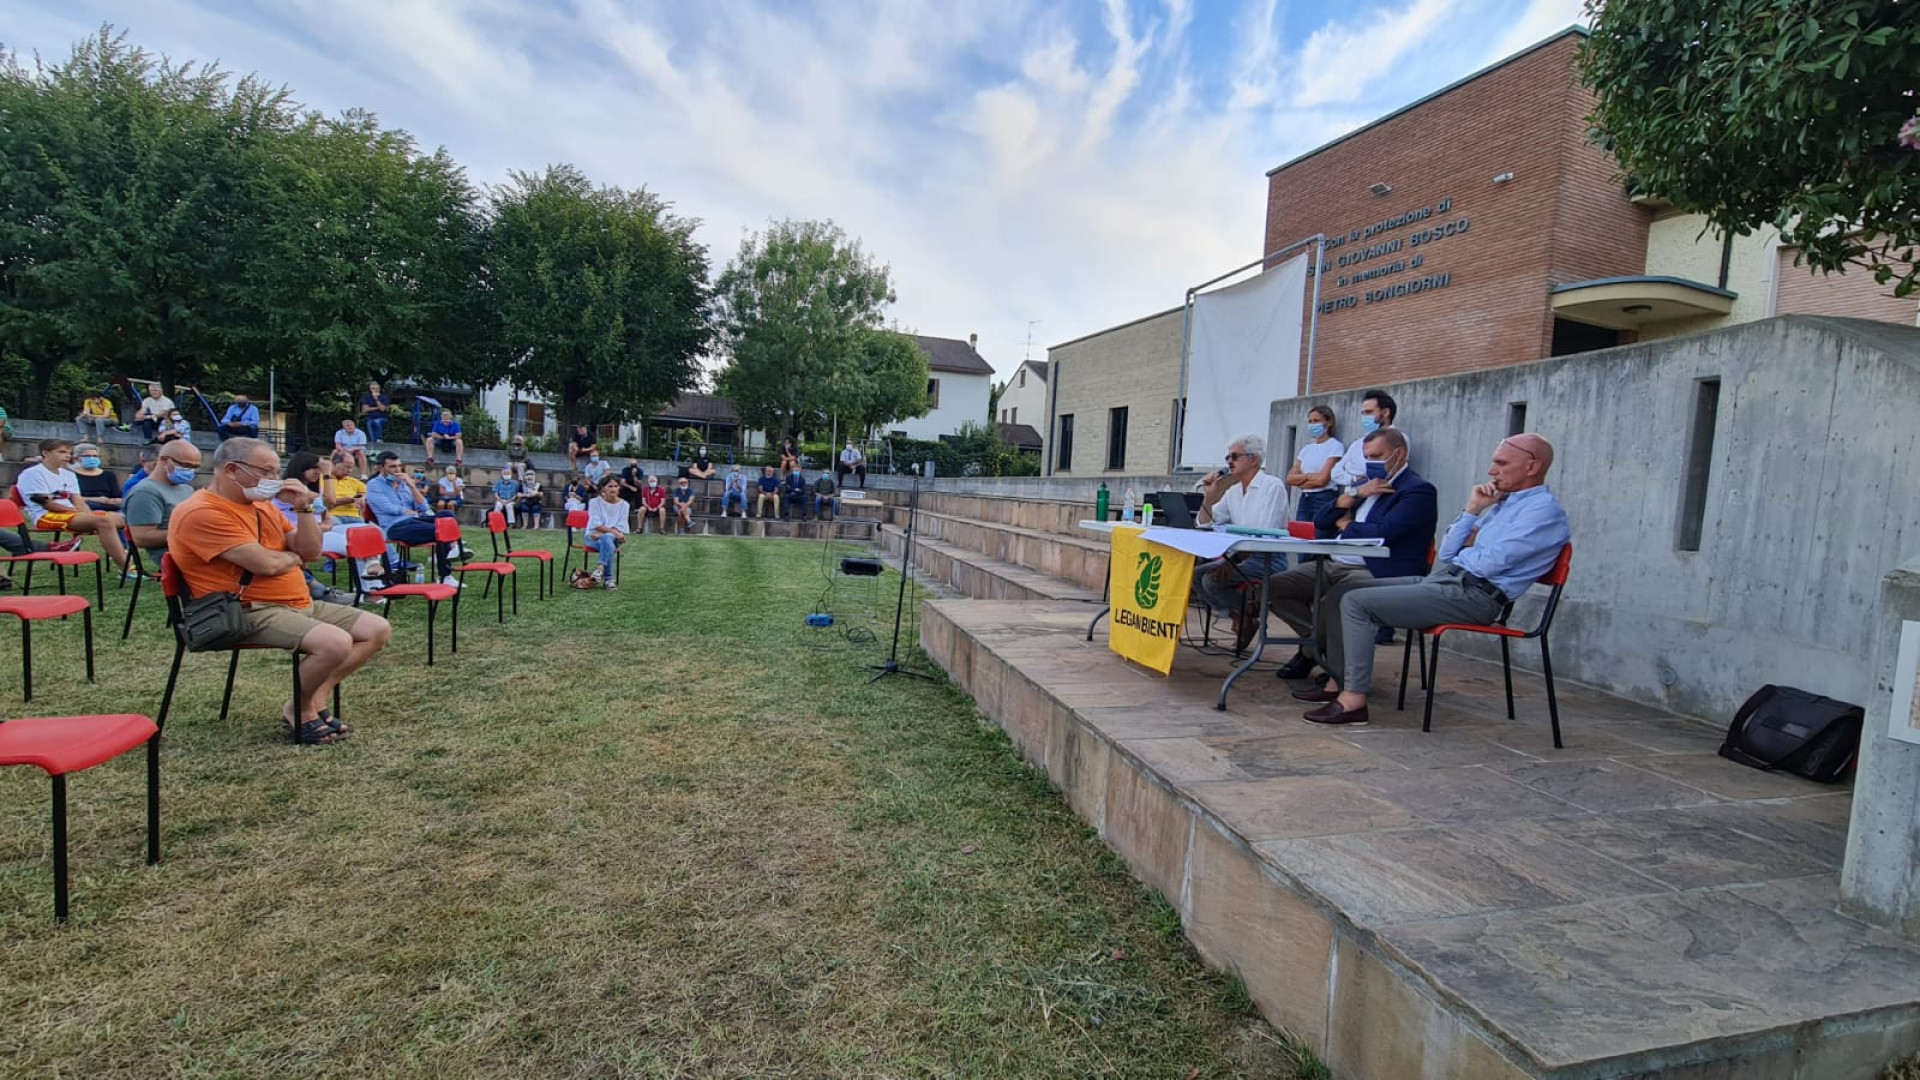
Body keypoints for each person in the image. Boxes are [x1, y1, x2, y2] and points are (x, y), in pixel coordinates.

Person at [1296, 434, 1570, 727]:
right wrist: (1473, 510)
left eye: (1502, 463)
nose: (1492, 471)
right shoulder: (1502, 504)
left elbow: (1490, 565)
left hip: (1476, 595)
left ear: (1532, 466)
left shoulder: (1542, 512)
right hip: (1450, 580)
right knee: (1340, 593)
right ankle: (1338, 682)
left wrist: (1472, 548)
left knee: (1355, 602)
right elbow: (1449, 552)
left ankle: (1353, 701)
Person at [168, 438, 391, 743]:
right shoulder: (201, 512)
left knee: (376, 629)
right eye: (267, 471)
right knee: (334, 643)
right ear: (232, 470)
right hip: (248, 607)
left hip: (296, 601)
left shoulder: (262, 506)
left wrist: (304, 508)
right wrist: (291, 558)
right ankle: (301, 710)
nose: (276, 479)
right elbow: (265, 564)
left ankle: (313, 698)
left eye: (276, 471)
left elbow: (310, 551)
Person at [1265, 429, 1435, 677]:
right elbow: (1321, 521)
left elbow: (1385, 533)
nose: (1371, 463)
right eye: (1367, 457)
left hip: (1376, 570)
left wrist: (1347, 526)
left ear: (1399, 455)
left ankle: (1318, 658)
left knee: (1335, 600)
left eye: (1377, 456)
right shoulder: (1364, 485)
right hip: (1335, 563)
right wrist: (1354, 494)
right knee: (1273, 587)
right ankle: (1318, 645)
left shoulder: (1417, 491)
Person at [1193, 434, 1290, 638]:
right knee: (1195, 575)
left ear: (1253, 459)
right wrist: (1209, 497)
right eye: (1227, 457)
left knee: (1211, 580)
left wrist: (1232, 563)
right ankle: (1241, 615)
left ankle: (1246, 613)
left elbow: (1264, 535)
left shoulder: (1272, 486)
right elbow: (1205, 523)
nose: (1229, 462)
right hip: (1241, 556)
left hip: (1268, 558)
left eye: (1234, 456)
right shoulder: (1233, 492)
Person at [16, 439, 132, 573]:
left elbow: (79, 501)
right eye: (62, 452)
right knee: (104, 521)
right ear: (45, 453)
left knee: (123, 519)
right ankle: (127, 569)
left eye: (69, 453)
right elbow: (48, 504)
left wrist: (88, 517)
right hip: (46, 516)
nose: (67, 456)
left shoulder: (69, 474)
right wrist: (80, 514)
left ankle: (127, 557)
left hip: (72, 512)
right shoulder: (32, 474)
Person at [364, 451, 466, 587]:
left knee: (447, 515)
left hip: (414, 520)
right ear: (381, 468)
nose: (397, 470)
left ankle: (452, 552)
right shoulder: (374, 485)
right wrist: (407, 512)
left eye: (399, 466)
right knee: (440, 530)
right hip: (395, 526)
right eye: (392, 467)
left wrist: (411, 486)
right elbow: (386, 508)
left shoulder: (403, 484)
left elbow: (423, 506)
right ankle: (450, 560)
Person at [124, 440, 202, 559]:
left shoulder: (186, 488)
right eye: (186, 466)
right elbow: (142, 538)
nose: (190, 471)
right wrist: (191, 533)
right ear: (165, 460)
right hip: (179, 557)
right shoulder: (145, 492)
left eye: (194, 467)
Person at [1329, 389, 1410, 490]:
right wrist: (1354, 478)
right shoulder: (1357, 443)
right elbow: (1335, 472)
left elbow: (1385, 473)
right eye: (1363, 413)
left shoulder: (1399, 439)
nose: (1365, 417)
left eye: (1369, 412)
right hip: (1352, 496)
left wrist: (1351, 469)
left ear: (1385, 412)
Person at [1286, 405, 1345, 525]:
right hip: (1305, 498)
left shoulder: (1335, 446)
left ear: (1328, 422)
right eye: (1310, 421)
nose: (1313, 424)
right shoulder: (1306, 449)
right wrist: (1308, 476)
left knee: (1319, 530)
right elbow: (1290, 478)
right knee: (1301, 531)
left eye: (1316, 421)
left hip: (1324, 498)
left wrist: (1302, 481)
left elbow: (1322, 480)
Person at [584, 476, 629, 588]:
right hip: (593, 537)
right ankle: (608, 579)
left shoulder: (625, 505)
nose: (613, 489)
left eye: (616, 486)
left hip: (611, 537)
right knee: (609, 544)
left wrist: (604, 535)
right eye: (610, 486)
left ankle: (600, 569)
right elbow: (596, 524)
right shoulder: (594, 502)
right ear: (603, 488)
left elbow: (621, 526)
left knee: (607, 538)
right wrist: (614, 534)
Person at [70, 443, 124, 513]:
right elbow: (71, 498)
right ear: (76, 458)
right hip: (84, 508)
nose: (92, 458)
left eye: (95, 456)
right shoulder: (71, 474)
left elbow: (117, 497)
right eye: (87, 456)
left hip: (109, 509)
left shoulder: (108, 475)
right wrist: (98, 499)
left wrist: (113, 501)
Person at [324, 452, 367, 522]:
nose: (350, 471)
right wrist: (350, 500)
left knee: (366, 527)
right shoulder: (324, 479)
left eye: (352, 467)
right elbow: (325, 502)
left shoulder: (355, 481)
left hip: (354, 516)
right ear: (334, 464)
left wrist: (362, 498)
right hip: (332, 515)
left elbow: (367, 494)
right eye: (347, 467)